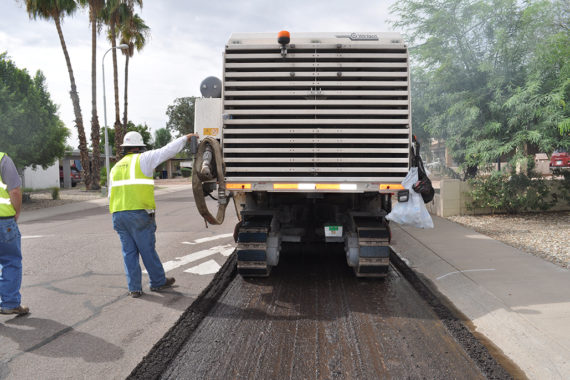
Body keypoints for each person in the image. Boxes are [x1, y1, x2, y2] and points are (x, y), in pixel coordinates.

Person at [109, 131, 198, 298]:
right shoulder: (143, 159)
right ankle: (157, 282)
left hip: (118, 215)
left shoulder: (115, 168)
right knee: (147, 249)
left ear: (125, 148)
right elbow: (167, 151)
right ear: (139, 147)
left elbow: (110, 195)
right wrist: (185, 138)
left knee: (129, 252)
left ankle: (134, 288)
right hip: (139, 213)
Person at [0, 152, 29, 315]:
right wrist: (16, 212)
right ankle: (10, 303)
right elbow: (15, 191)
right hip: (3, 220)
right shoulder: (2, 159)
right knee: (11, 261)